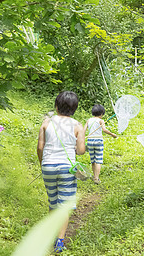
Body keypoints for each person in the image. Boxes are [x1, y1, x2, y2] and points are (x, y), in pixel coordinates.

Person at [37, 91, 85, 253]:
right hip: (66, 168)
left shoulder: (46, 122)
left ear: (56, 106)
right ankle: (59, 241)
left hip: (48, 166)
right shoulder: (78, 126)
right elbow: (81, 151)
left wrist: (42, 164)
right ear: (75, 109)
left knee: (53, 202)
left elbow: (40, 147)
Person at [83, 104, 117, 185]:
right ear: (101, 114)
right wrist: (112, 134)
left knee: (93, 160)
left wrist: (82, 138)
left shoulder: (89, 120)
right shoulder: (101, 121)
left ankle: (94, 176)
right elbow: (104, 130)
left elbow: (83, 130)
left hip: (90, 141)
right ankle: (96, 178)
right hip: (98, 141)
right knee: (98, 160)